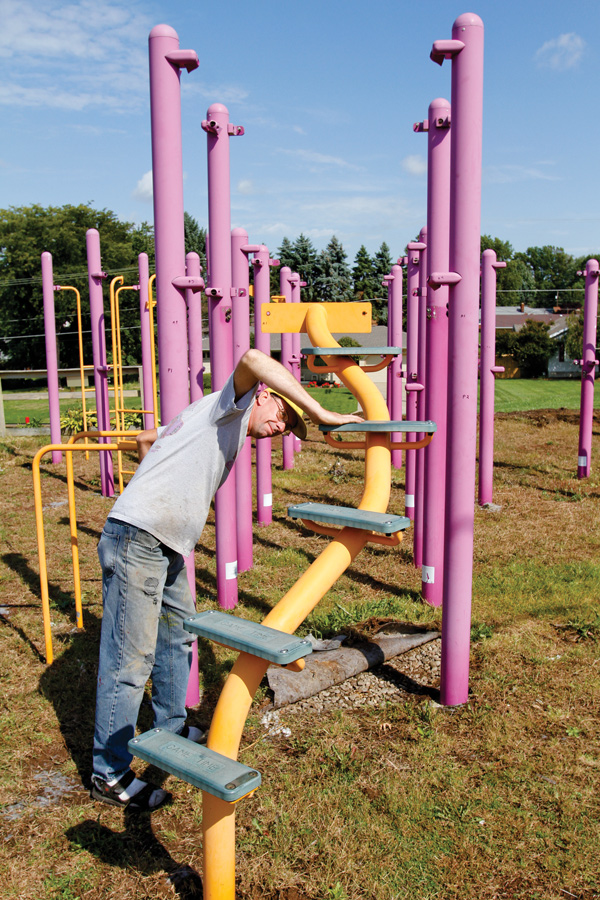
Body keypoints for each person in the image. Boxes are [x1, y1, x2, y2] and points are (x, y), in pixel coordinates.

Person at [91, 348, 363, 810]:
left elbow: (145, 438)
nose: (280, 430)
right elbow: (255, 357)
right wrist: (321, 411)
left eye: (290, 429)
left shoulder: (214, 418)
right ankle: (108, 772)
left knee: (177, 638)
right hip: (139, 540)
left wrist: (154, 489)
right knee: (129, 660)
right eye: (284, 415)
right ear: (262, 395)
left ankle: (171, 726)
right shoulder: (227, 406)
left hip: (166, 543)